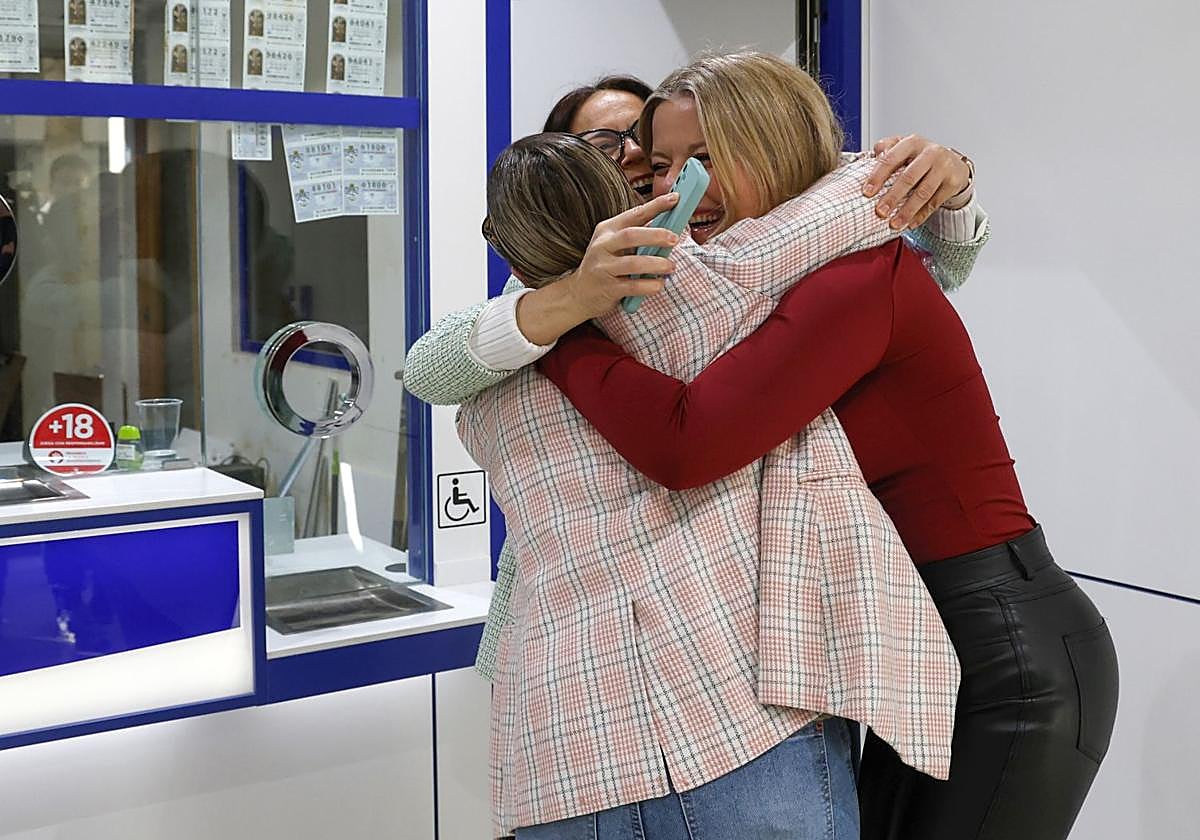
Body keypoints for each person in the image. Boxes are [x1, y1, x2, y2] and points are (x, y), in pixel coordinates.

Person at [531, 62, 1120, 840]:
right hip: (937, 647)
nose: (679, 188)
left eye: (705, 156)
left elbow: (686, 442)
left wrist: (551, 325)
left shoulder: (859, 273)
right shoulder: (757, 283)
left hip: (1006, 655)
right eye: (666, 165)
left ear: (770, 146)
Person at [455, 54, 987, 839]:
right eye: (629, 156)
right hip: (605, 722)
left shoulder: (757, 282)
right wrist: (562, 304)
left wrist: (946, 178)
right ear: (570, 177)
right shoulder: (516, 324)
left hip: (703, 716)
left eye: (681, 157)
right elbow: (431, 364)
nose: (655, 176)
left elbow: (888, 243)